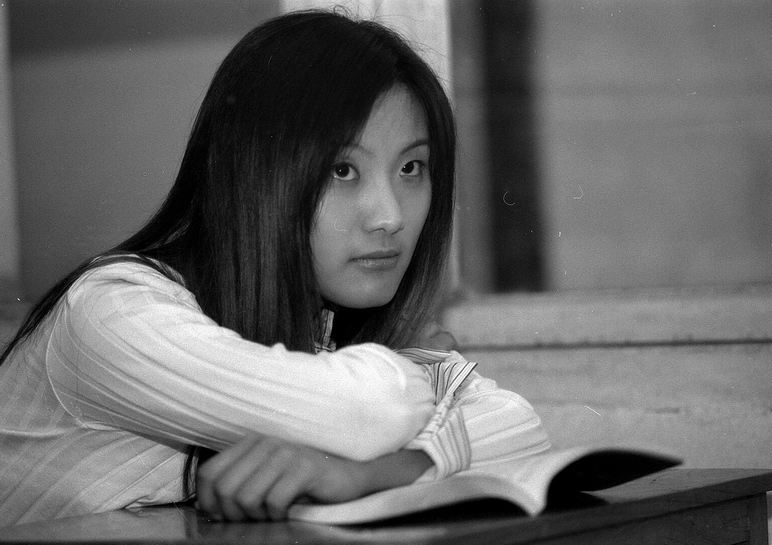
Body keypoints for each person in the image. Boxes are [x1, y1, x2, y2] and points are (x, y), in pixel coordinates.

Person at [0, 10, 549, 526]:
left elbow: (516, 426)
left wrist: (359, 474)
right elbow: (376, 406)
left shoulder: (322, 321)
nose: (389, 217)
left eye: (411, 167)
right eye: (342, 169)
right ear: (258, 176)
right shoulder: (111, 312)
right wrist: (409, 379)